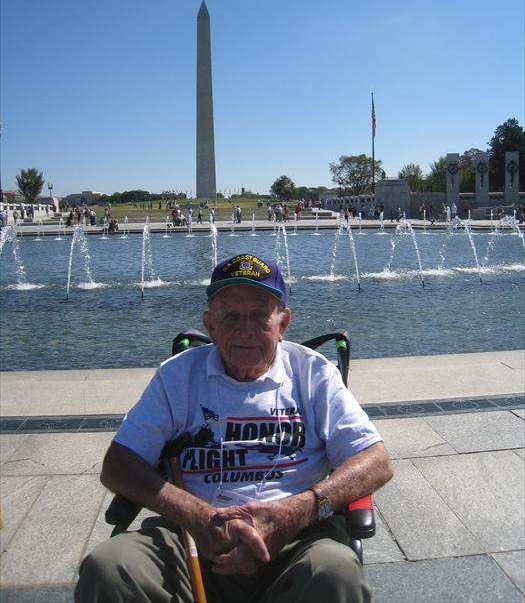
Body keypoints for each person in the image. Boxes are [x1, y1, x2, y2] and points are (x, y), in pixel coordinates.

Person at [75, 253, 393, 603]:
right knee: (110, 567)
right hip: (189, 541)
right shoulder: (177, 376)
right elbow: (118, 465)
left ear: (283, 322)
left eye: (260, 315)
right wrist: (198, 517)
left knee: (335, 573)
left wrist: (296, 512)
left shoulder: (313, 375)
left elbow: (376, 461)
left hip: (295, 542)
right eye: (231, 317)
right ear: (210, 325)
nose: (245, 330)